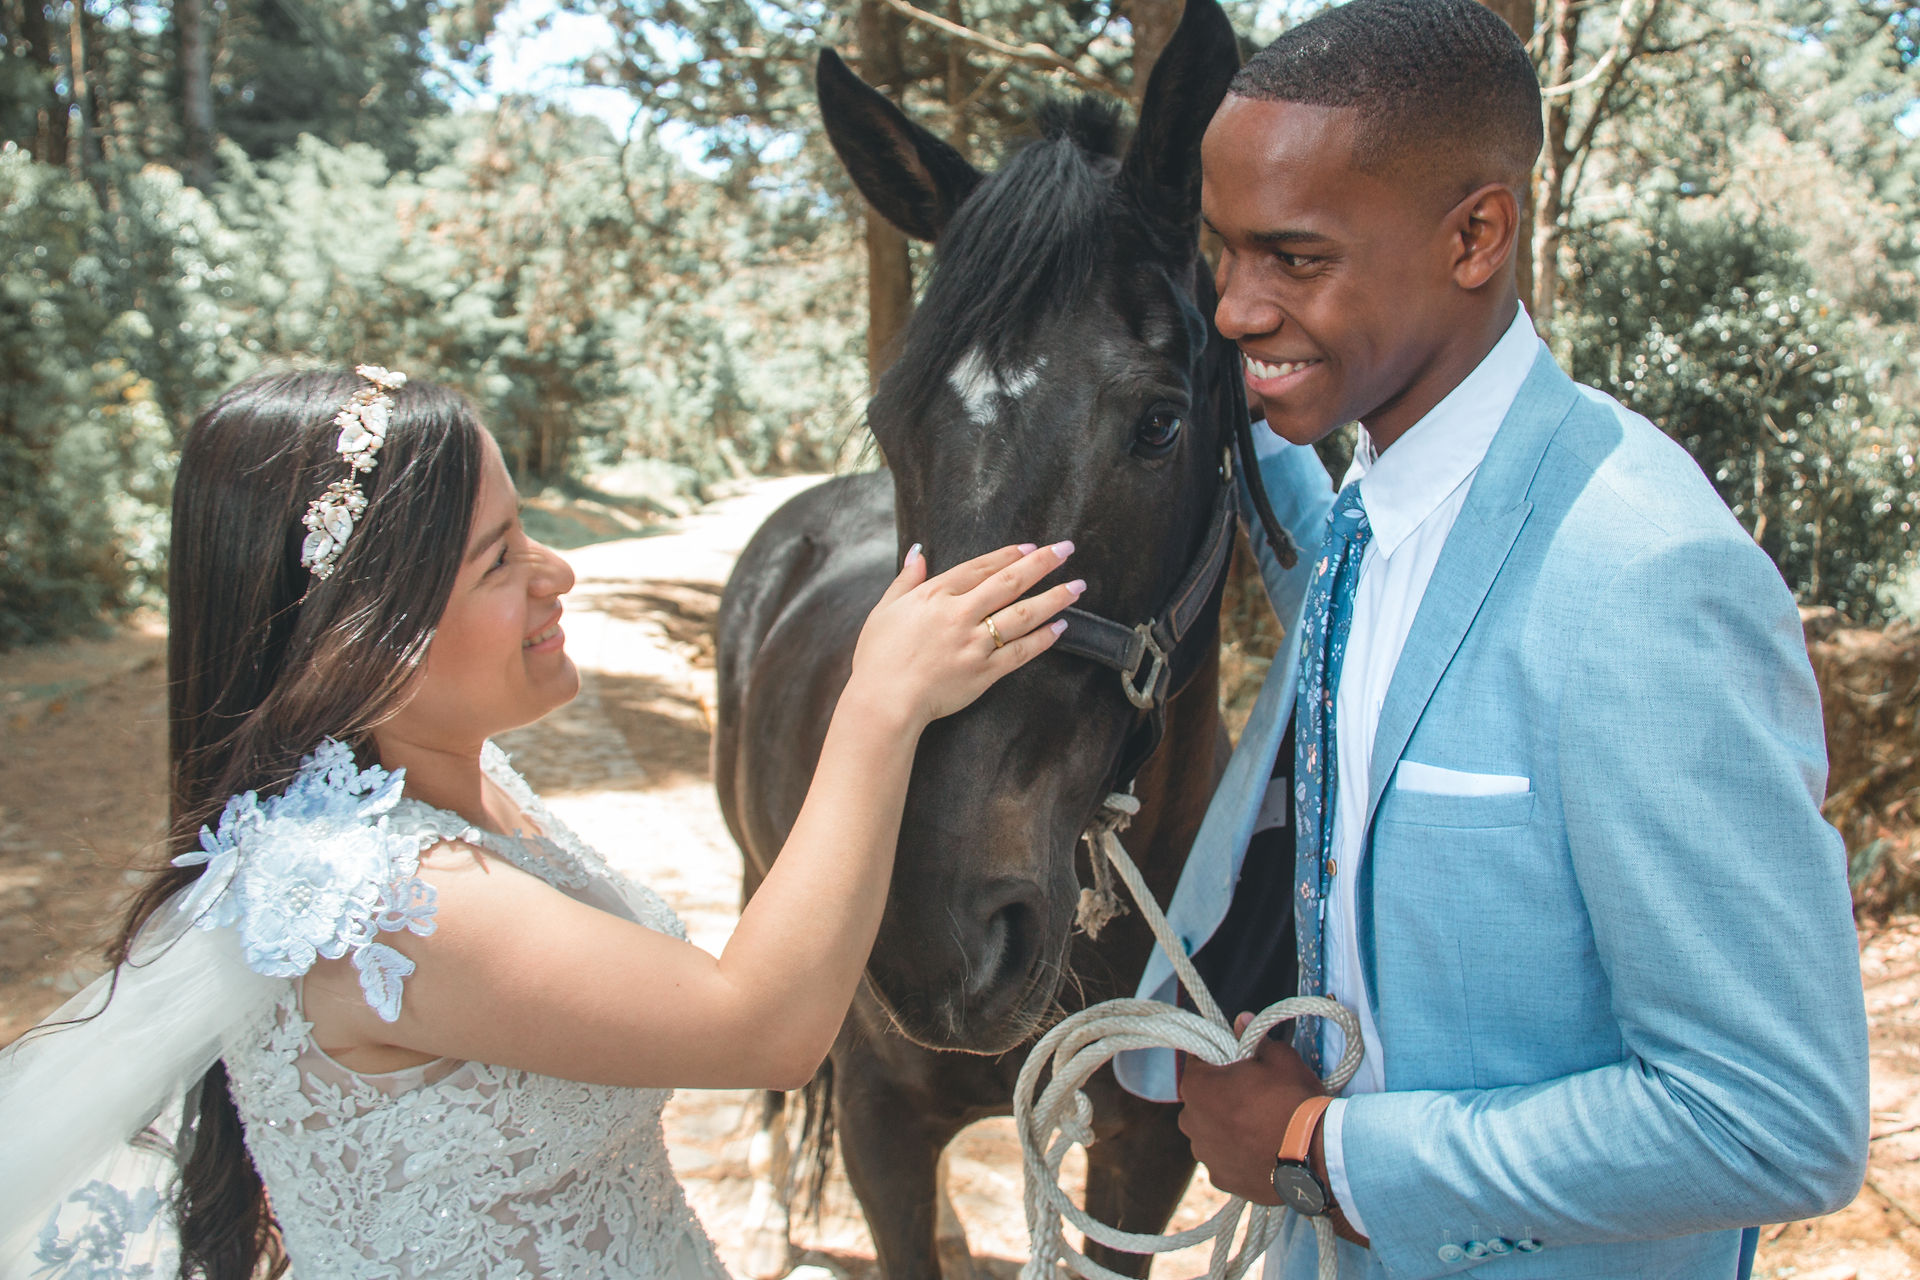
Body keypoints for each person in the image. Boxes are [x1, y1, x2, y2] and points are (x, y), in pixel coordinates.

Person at [0, 365, 1082, 1279]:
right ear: (355, 637)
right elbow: (767, 1029)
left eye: (527, 534)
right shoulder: (380, 900)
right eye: (499, 560)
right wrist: (879, 705)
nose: (556, 574)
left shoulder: (451, 789)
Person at [1114, 2, 1871, 1277]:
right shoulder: (1371, 511)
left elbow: (1772, 1116)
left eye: (1294, 256)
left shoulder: (1647, 579)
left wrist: (1320, 1151)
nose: (1234, 309)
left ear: (1476, 237)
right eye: (1223, 252)